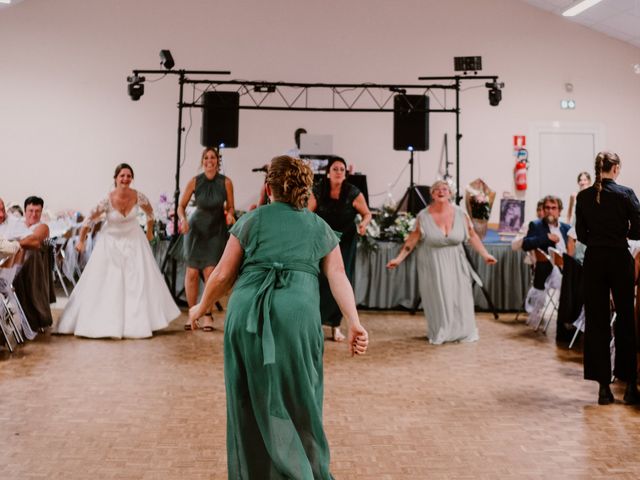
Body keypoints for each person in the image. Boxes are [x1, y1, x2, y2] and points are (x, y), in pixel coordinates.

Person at [188, 155, 368, 479]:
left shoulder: (252, 220)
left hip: (246, 314)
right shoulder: (318, 226)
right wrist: (354, 321)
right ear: (305, 189)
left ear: (268, 187)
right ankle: (302, 472)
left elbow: (222, 276)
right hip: (297, 316)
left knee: (247, 399)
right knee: (301, 401)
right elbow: (338, 275)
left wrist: (200, 308)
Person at [54, 163, 180, 339]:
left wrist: (150, 232)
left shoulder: (138, 196)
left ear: (132, 178)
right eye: (122, 175)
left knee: (137, 281)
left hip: (134, 241)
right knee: (108, 279)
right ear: (115, 178)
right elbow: (89, 220)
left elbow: (151, 214)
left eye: (129, 176)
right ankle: (105, 322)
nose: (125, 179)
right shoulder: (107, 200)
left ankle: (138, 322)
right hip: (110, 241)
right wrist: (81, 241)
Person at [386, 180, 497, 344]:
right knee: (439, 298)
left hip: (457, 263)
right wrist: (398, 259)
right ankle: (441, 330)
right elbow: (412, 241)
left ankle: (462, 331)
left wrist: (485, 254)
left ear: (450, 194)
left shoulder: (461, 214)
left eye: (445, 189)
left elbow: (472, 235)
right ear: (431, 194)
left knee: (460, 296)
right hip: (433, 264)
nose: (441, 191)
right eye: (436, 190)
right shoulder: (423, 216)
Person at [575, 151, 640, 405]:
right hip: (619, 259)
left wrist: (597, 239)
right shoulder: (626, 194)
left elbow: (580, 233)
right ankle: (631, 386)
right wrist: (620, 233)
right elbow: (638, 228)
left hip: (594, 260)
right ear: (616, 168)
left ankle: (604, 387)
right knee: (625, 319)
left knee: (597, 321)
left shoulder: (584, 196)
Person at [308, 156, 372, 341]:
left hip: (345, 241)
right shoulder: (318, 191)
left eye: (342, 169)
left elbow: (367, 214)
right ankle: (317, 323)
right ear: (328, 172)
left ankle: (336, 326)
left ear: (346, 173)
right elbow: (307, 213)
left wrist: (364, 225)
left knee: (342, 279)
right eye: (335, 169)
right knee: (321, 280)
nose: (338, 172)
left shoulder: (353, 192)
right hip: (322, 241)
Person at [177, 147, 235, 331]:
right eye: (206, 157)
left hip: (216, 229)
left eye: (213, 158)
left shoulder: (226, 182)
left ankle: (208, 315)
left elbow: (231, 207)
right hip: (195, 229)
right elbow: (181, 206)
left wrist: (230, 215)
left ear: (218, 161)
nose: (209, 160)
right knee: (192, 273)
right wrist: (182, 219)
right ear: (202, 161)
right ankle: (191, 315)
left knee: (211, 273)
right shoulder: (195, 181)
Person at [522, 195, 570, 289]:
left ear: (559, 211)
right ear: (543, 210)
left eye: (553, 208)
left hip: (568, 267)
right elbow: (525, 244)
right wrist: (546, 237)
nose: (550, 211)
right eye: (547, 208)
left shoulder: (566, 228)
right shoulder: (536, 225)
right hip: (548, 270)